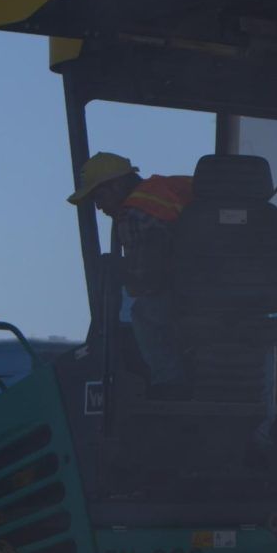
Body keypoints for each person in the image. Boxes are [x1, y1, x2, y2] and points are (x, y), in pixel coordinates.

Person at [69, 150, 194, 387]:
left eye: (99, 197)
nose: (99, 207)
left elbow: (146, 278)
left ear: (116, 186)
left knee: (143, 313)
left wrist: (117, 271)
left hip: (188, 296)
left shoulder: (134, 212)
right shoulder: (169, 189)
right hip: (224, 290)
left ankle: (168, 382)